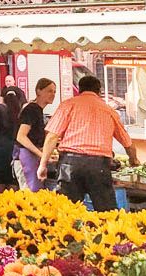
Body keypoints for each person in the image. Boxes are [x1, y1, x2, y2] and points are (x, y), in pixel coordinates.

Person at [38, 75, 139, 211]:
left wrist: (43, 164)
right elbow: (128, 144)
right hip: (99, 166)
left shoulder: (68, 105)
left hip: (70, 164)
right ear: (99, 92)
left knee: (67, 211)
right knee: (106, 213)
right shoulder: (109, 111)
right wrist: (134, 161)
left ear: (80, 89)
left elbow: (52, 137)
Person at [14, 78, 57, 192]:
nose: (53, 94)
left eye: (54, 92)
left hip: (31, 158)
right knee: (30, 196)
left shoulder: (37, 110)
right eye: (49, 91)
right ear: (39, 91)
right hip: (25, 159)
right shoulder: (32, 109)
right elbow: (21, 136)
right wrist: (42, 155)